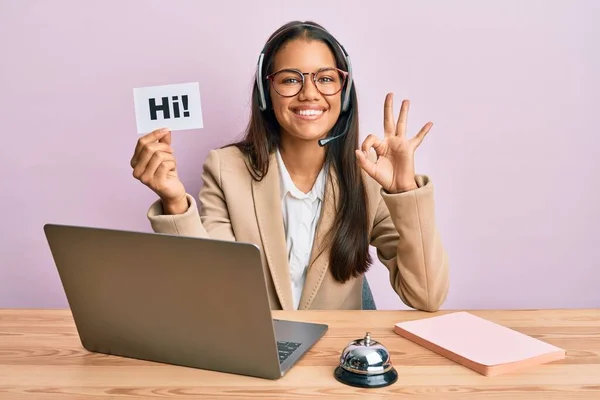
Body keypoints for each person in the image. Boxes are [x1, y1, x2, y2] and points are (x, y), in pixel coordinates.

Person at [129, 21, 449, 311]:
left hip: (335, 359)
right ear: (267, 94)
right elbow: (211, 289)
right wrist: (173, 203)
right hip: (258, 352)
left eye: (325, 79)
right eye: (290, 79)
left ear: (345, 93)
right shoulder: (226, 168)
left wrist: (405, 192)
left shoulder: (369, 176)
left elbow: (426, 296)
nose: (309, 93)